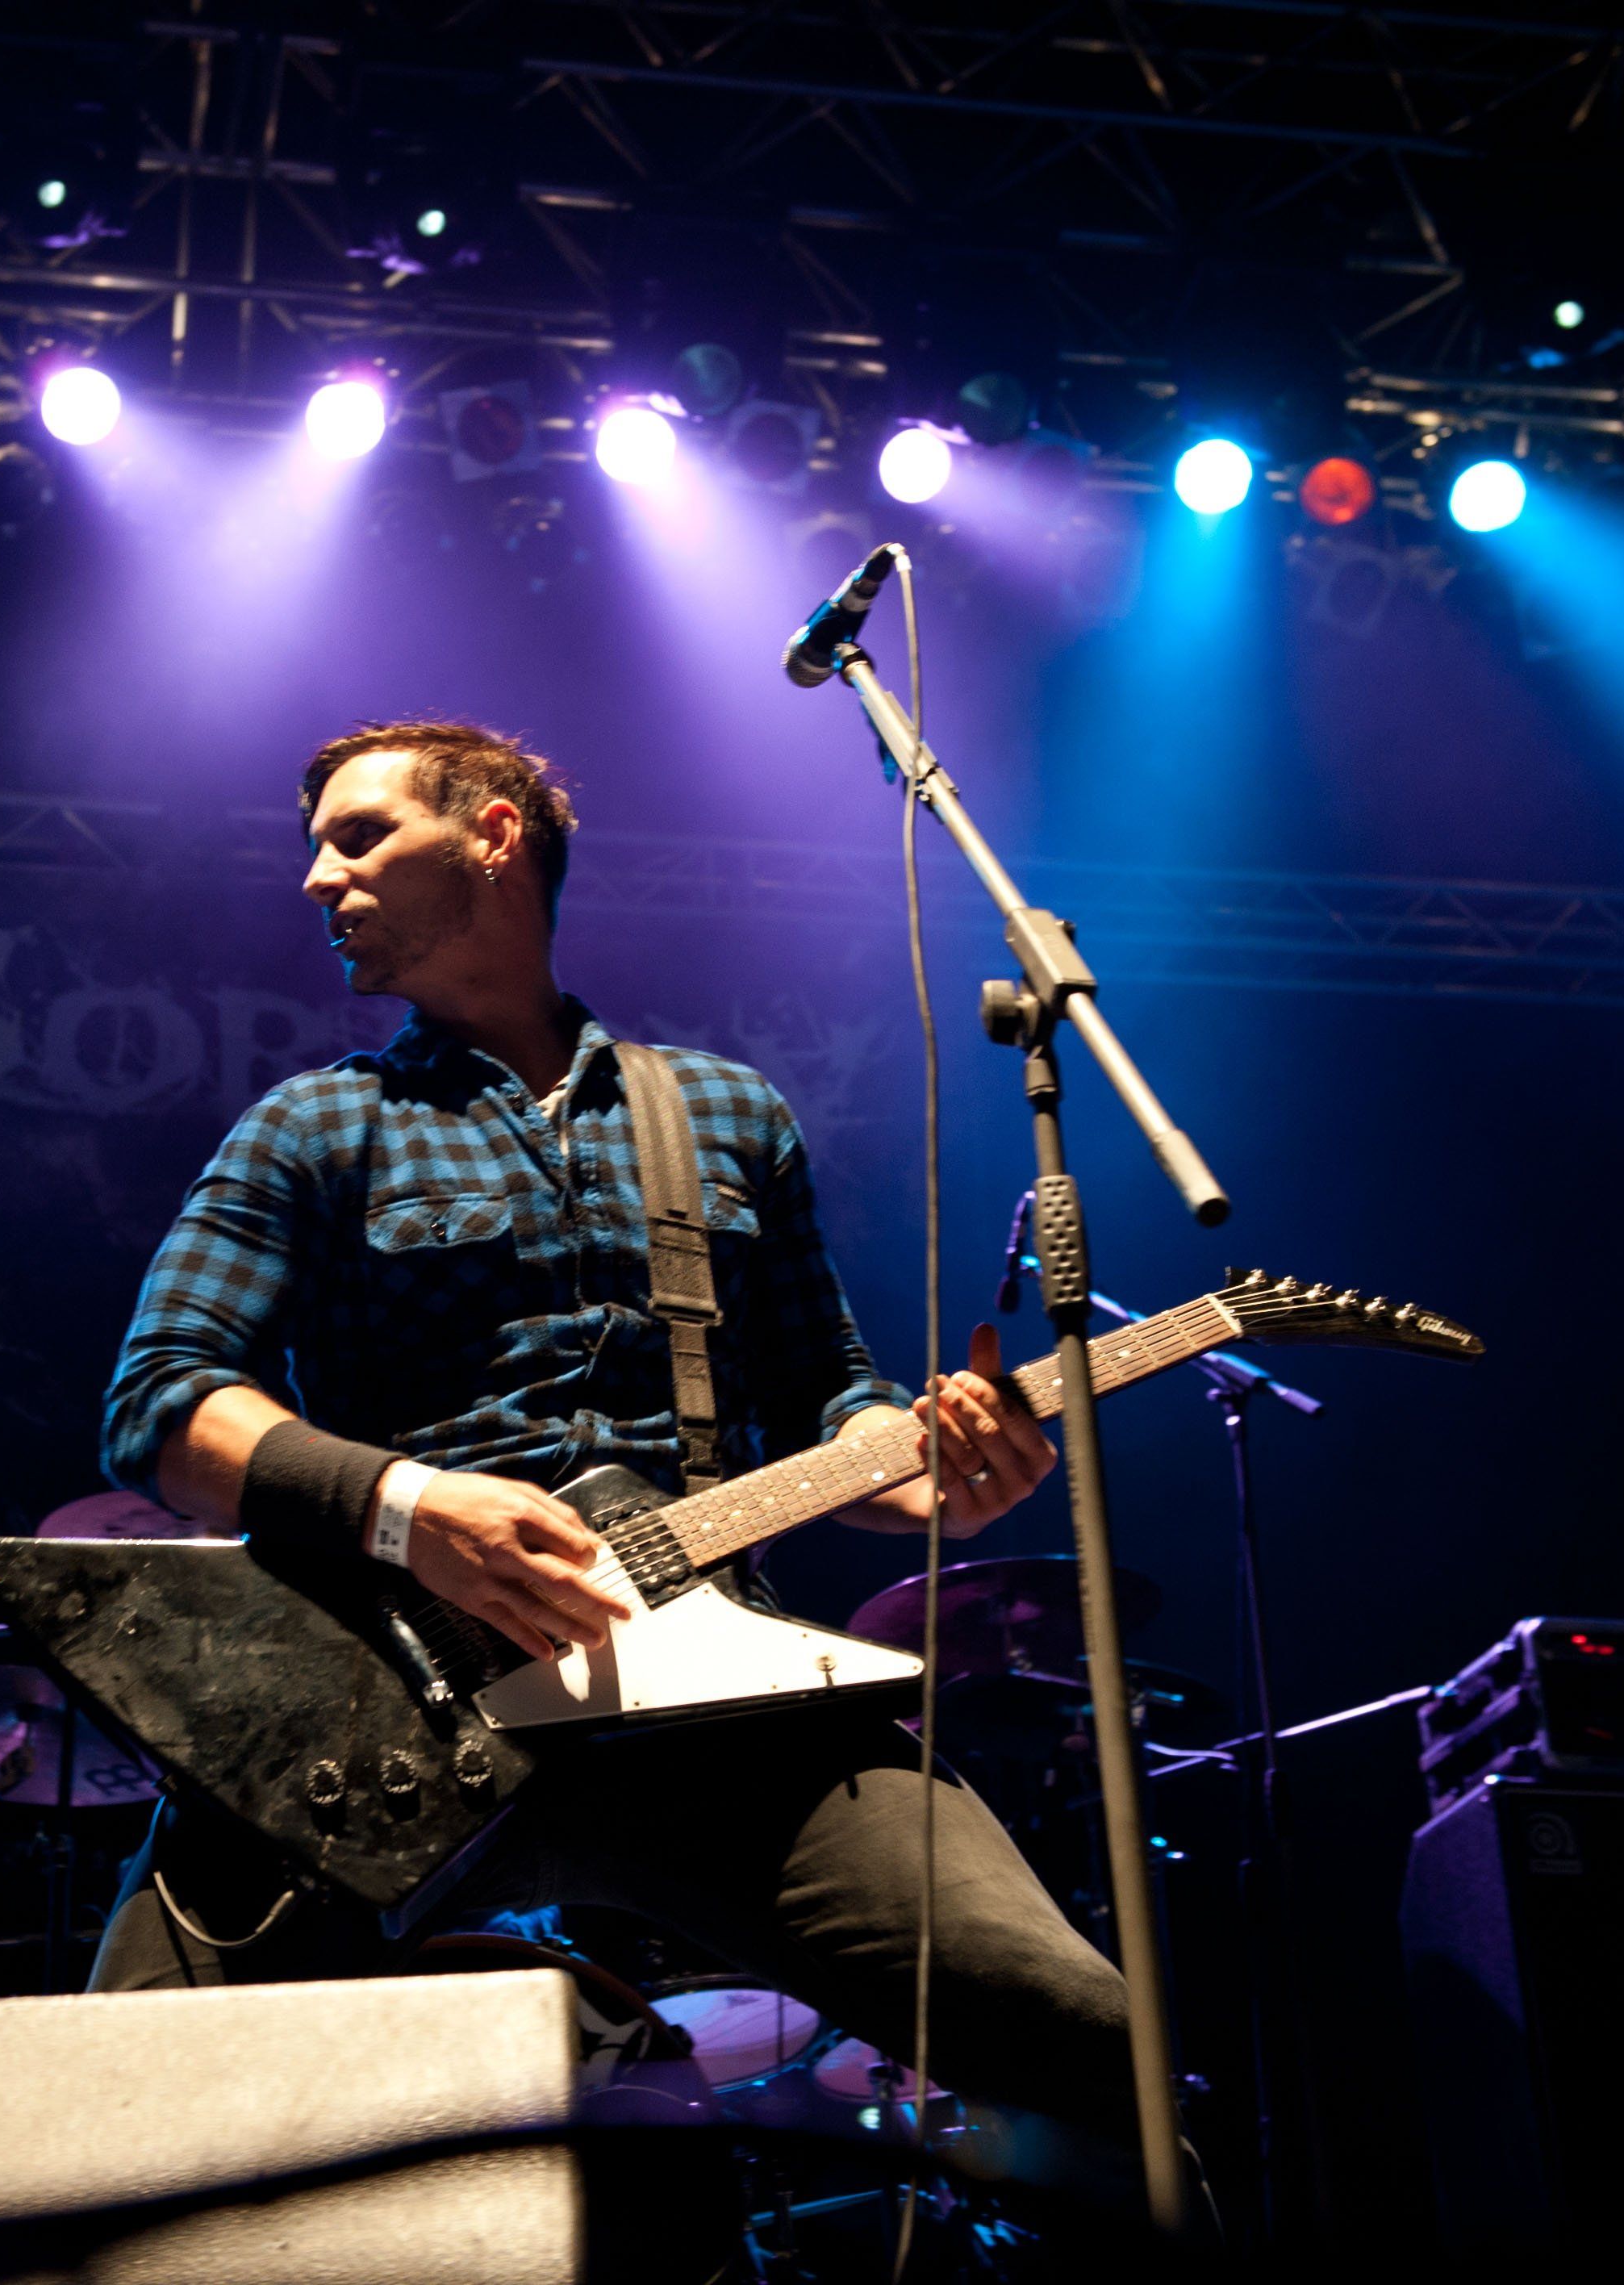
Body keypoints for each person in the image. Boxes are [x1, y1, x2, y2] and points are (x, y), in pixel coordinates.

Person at [90, 719, 1135, 2150]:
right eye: (318, 850)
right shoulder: (313, 1128)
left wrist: (935, 1472)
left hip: (718, 1690)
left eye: (360, 838)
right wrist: (413, 1510)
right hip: (397, 1703)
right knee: (131, 2097)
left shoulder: (722, 1113)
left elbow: (828, 1400)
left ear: (494, 835)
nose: (320, 879)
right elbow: (162, 1401)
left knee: (1090, 2044)